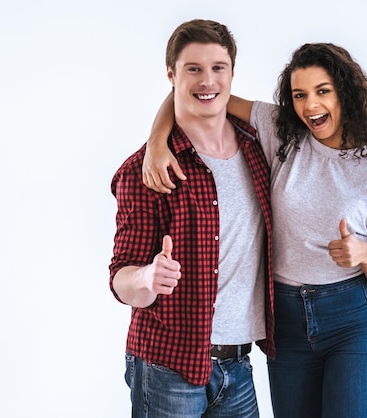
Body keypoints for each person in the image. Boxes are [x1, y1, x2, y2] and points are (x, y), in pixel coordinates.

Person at [142, 42, 367, 418]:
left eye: (323, 91)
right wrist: (156, 142)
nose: (310, 106)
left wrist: (365, 255)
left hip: (352, 320)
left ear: (344, 93)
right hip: (285, 323)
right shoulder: (281, 133)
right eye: (299, 95)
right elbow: (199, 97)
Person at [108, 19, 276, 417]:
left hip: (239, 364)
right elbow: (120, 278)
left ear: (232, 73)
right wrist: (147, 278)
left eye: (218, 67)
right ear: (171, 75)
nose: (207, 80)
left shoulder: (258, 150)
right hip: (168, 364)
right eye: (193, 69)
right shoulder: (145, 170)